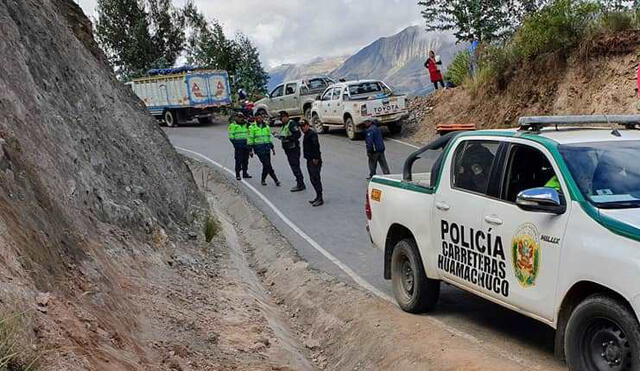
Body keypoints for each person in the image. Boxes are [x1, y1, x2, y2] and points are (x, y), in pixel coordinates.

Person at [277, 111, 305, 192]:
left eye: (281, 118)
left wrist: (287, 138)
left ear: (286, 117)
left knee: (295, 166)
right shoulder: (284, 125)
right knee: (293, 166)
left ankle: (300, 184)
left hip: (293, 148)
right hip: (288, 148)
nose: (280, 120)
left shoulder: (292, 124)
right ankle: (299, 182)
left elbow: (297, 135)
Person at [249, 115, 280, 186]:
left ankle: (263, 179)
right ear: (255, 119)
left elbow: (268, 138)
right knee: (267, 164)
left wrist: (272, 148)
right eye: (257, 118)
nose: (259, 119)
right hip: (259, 149)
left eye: (260, 118)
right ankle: (276, 180)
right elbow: (250, 139)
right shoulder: (252, 127)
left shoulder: (266, 127)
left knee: (266, 165)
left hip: (267, 148)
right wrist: (250, 150)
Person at [300, 119, 323, 206]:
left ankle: (320, 198)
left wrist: (316, 158)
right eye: (301, 127)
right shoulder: (306, 134)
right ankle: (317, 196)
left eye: (304, 126)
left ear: (307, 125)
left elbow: (316, 146)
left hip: (314, 160)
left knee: (316, 178)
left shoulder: (312, 134)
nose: (302, 128)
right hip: (309, 159)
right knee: (312, 179)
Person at [227, 113, 252, 180]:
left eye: (241, 117)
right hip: (238, 145)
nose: (240, 118)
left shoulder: (246, 125)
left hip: (246, 145)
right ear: (236, 118)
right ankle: (238, 174)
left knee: (245, 160)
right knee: (238, 160)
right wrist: (236, 144)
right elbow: (231, 137)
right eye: (238, 117)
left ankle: (245, 173)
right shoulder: (233, 125)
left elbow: (250, 133)